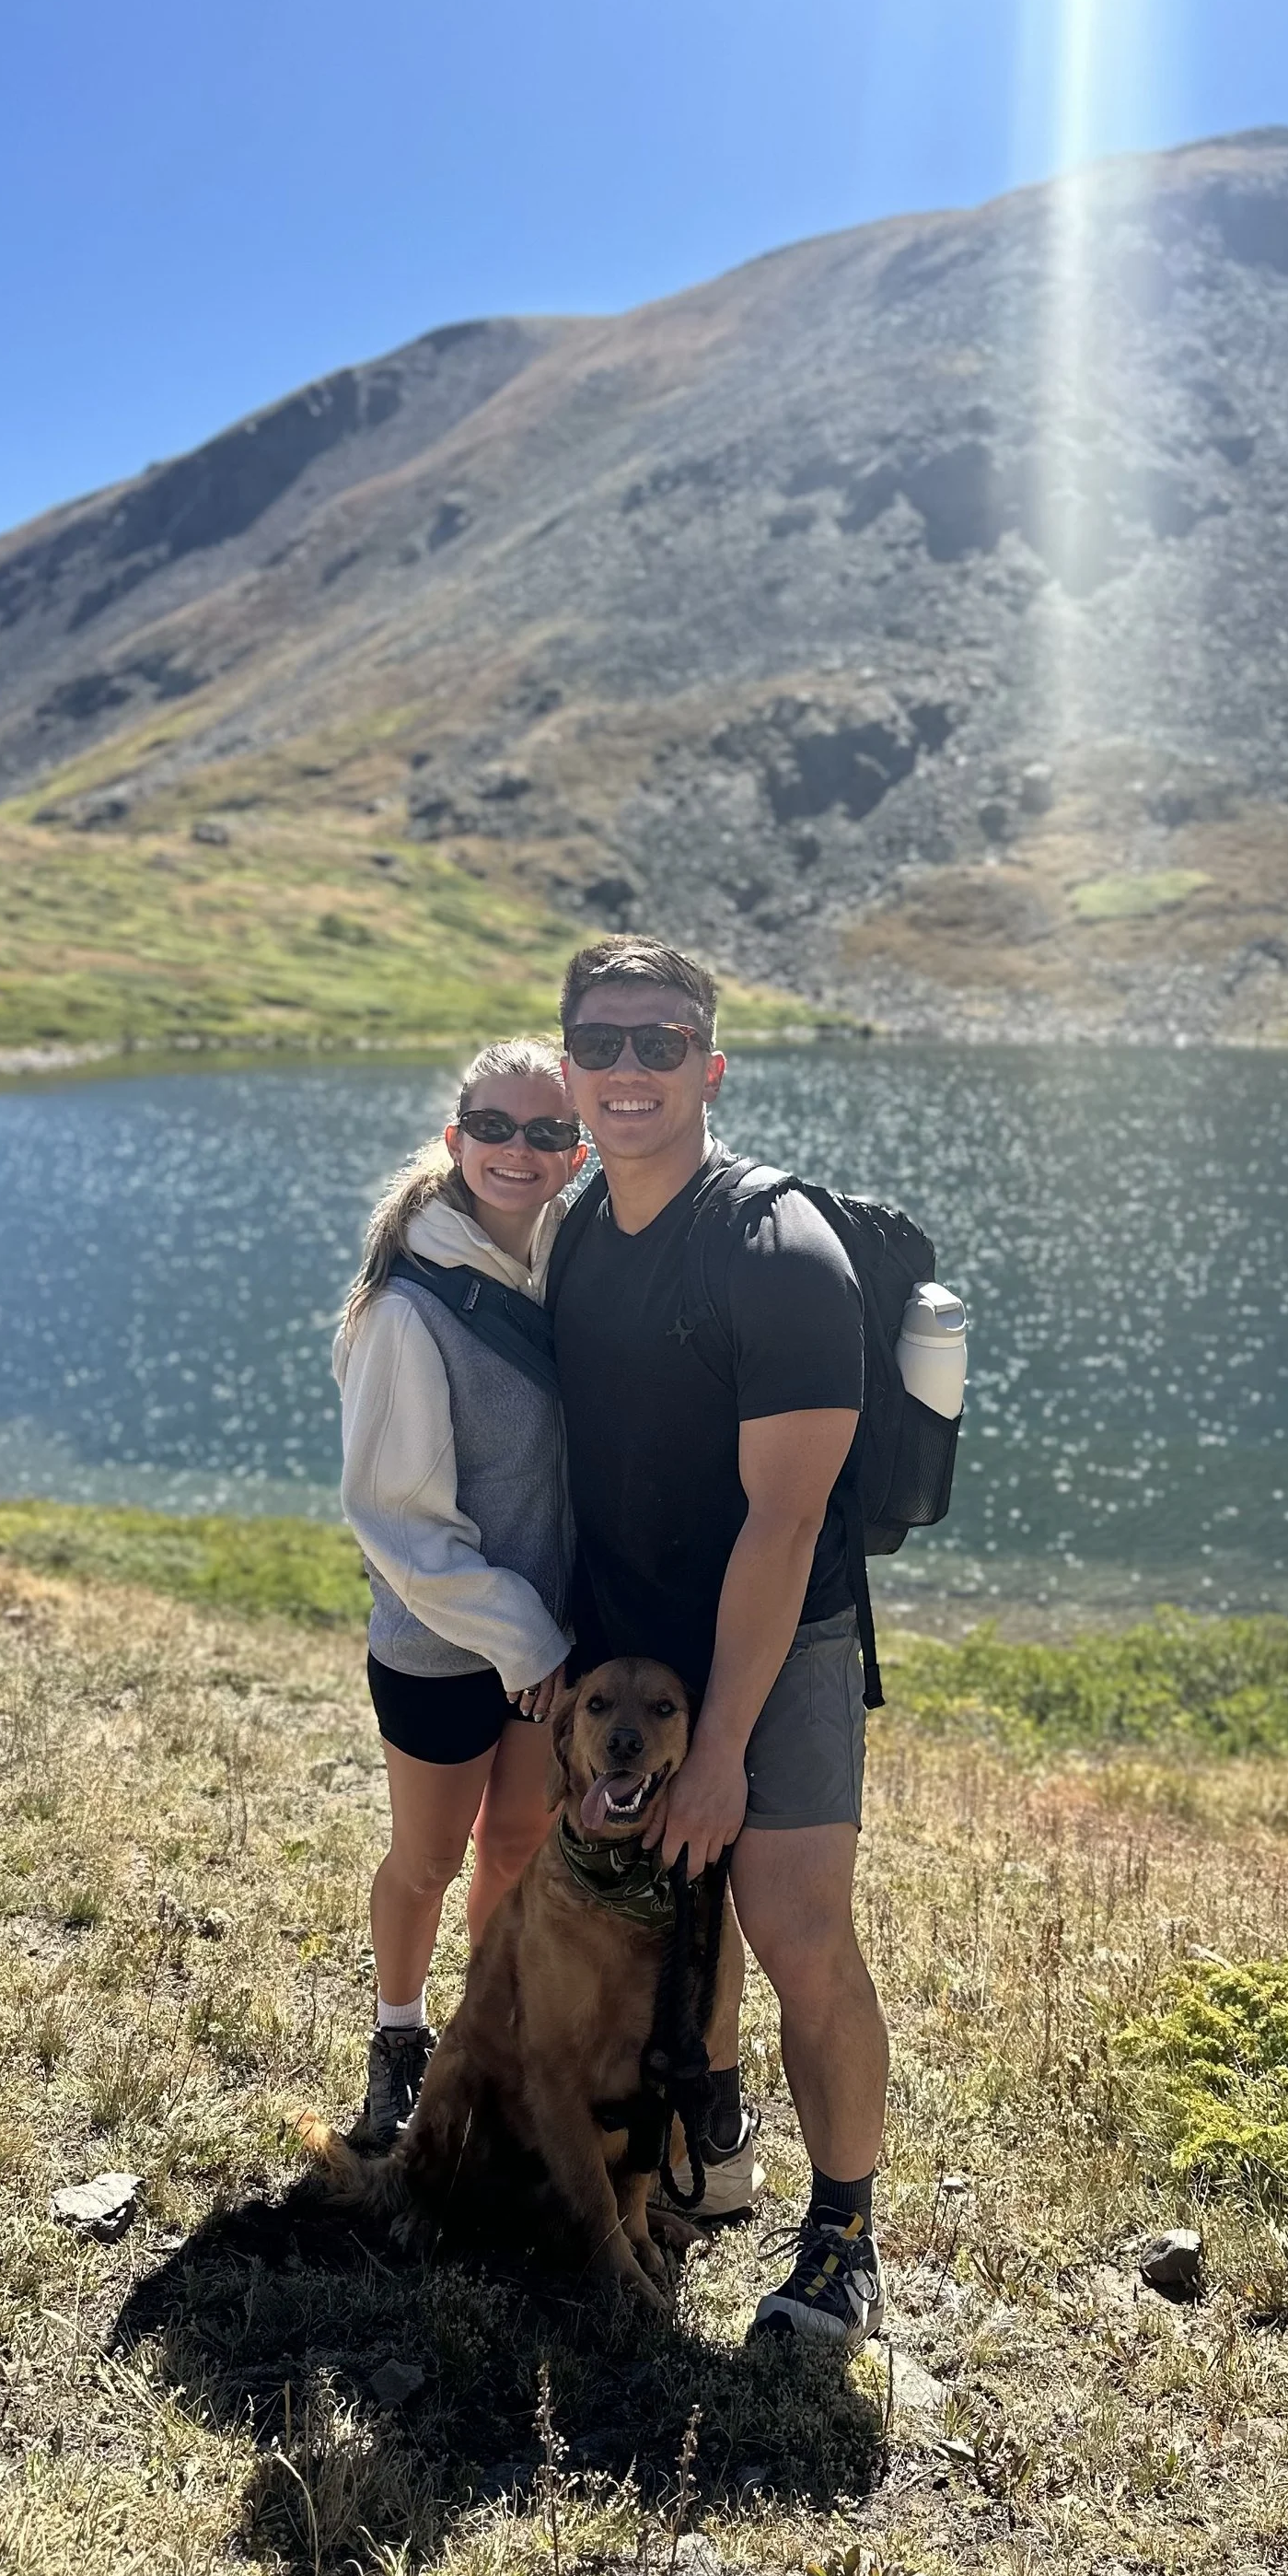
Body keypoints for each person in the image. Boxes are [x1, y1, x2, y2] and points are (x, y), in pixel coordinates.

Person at [550, 937, 890, 2352]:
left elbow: (788, 1518)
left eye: (661, 1042)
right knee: (684, 1911)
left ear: (712, 1063)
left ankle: (847, 2238)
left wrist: (727, 1748)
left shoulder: (778, 1247)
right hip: (636, 1649)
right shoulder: (578, 1223)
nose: (630, 1070)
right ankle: (718, 2145)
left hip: (779, 1642)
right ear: (569, 1064)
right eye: (603, 1042)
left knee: (793, 1926)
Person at [333, 1039, 585, 2150]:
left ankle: (491, 2034)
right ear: (455, 1140)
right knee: (428, 1859)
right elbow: (401, 1526)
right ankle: (399, 2040)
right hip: (447, 1648)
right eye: (494, 1128)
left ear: (575, 1151)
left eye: (545, 1132)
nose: (517, 1151)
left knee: (519, 1848)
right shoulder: (408, 1309)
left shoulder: (573, 1261)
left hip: (550, 1647)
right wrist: (530, 1640)